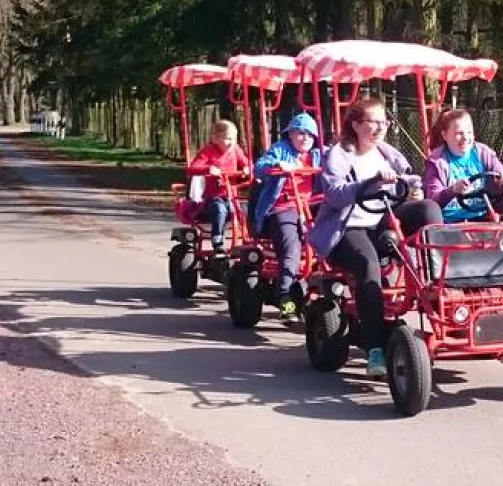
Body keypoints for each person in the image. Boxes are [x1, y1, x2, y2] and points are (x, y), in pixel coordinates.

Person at [307, 97, 444, 377]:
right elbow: (333, 194)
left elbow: (410, 178)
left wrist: (410, 186)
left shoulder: (386, 151)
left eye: (384, 122)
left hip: (382, 220)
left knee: (428, 208)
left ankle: (438, 280)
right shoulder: (339, 154)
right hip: (347, 228)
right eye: (373, 122)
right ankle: (376, 349)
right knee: (368, 267)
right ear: (356, 125)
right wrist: (368, 184)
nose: (380, 127)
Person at [250, 113, 322, 319]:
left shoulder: (318, 155)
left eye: (310, 134)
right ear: (290, 134)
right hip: (283, 207)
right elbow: (259, 167)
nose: (306, 138)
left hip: (312, 207)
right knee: (292, 249)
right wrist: (278, 166)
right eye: (300, 133)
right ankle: (285, 299)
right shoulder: (281, 150)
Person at [422, 109, 503, 223]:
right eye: (459, 133)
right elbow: (433, 200)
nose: (465, 138)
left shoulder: (483, 154)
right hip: (451, 223)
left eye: (469, 133)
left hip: (483, 216)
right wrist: (453, 190)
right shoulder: (437, 161)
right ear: (445, 135)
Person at [188, 120, 249, 252]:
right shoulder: (208, 152)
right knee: (219, 209)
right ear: (216, 139)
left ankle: (247, 238)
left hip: (232, 195)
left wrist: (246, 168)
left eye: (233, 138)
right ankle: (217, 239)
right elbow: (193, 168)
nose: (231, 142)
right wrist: (208, 169)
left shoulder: (235, 150)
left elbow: (247, 163)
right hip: (214, 196)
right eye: (227, 138)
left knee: (245, 209)